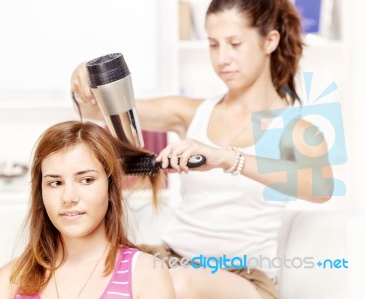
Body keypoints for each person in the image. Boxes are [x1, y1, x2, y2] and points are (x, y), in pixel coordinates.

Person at [70, 0, 335, 298]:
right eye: (213, 44)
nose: (223, 58)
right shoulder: (192, 112)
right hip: (170, 259)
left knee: (179, 282)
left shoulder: (295, 130)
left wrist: (225, 157)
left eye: (235, 43)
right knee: (79, 267)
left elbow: (321, 186)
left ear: (270, 41)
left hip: (241, 277)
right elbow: (95, 112)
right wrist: (86, 80)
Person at [0, 121, 175, 299]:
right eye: (55, 183)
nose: (69, 197)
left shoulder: (146, 273)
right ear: (40, 193)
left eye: (86, 180)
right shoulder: (8, 281)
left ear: (111, 187)